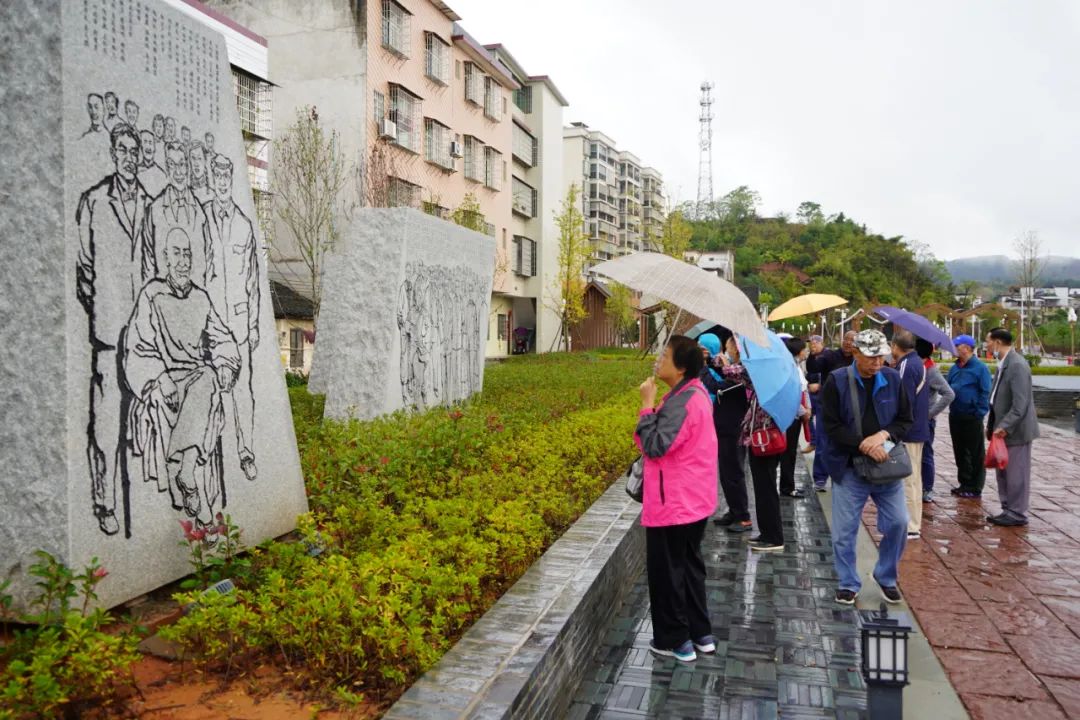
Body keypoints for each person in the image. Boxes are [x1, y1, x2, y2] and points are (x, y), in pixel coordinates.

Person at [124, 228, 241, 528]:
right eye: (176, 253)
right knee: (193, 396)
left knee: (208, 377)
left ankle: (187, 471)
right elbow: (138, 346)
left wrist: (226, 364)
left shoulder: (201, 298)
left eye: (187, 254)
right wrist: (159, 376)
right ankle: (192, 490)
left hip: (196, 378)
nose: (183, 260)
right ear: (165, 257)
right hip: (166, 380)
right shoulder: (152, 294)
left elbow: (222, 338)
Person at [75, 122, 153, 536]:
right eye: (121, 150)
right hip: (108, 336)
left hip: (143, 340)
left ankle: (143, 507)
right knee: (106, 427)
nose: (128, 157)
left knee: (142, 425)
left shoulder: (150, 204)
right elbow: (83, 270)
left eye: (133, 151)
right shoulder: (93, 201)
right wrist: (104, 308)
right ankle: (104, 502)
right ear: (113, 153)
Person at [635, 336, 719, 663]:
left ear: (681, 367)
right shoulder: (694, 393)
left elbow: (655, 445)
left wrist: (646, 405)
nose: (658, 360)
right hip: (693, 500)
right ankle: (700, 633)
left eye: (665, 355)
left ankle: (675, 640)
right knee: (688, 567)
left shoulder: (683, 402)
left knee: (667, 572)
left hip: (673, 502)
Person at [821, 329, 913, 605]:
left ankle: (885, 575)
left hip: (886, 465)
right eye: (871, 357)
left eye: (881, 357)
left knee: (899, 522)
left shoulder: (893, 379)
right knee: (844, 531)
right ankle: (848, 582)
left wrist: (883, 437)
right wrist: (863, 444)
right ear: (856, 353)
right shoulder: (837, 380)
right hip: (849, 466)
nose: (877, 363)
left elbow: (904, 420)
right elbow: (831, 426)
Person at [203, 153, 261, 481]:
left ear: (232, 180)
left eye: (227, 177)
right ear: (212, 180)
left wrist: (253, 326)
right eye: (218, 177)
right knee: (211, 390)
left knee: (243, 393)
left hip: (238, 324)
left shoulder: (243, 224)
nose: (223, 183)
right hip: (211, 324)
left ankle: (246, 452)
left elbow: (253, 282)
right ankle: (208, 452)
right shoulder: (201, 217)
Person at [721, 336, 792, 552]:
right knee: (763, 488)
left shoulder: (766, 375)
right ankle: (767, 533)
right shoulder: (769, 376)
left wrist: (724, 362)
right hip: (761, 440)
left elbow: (737, 373)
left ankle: (773, 537)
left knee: (766, 488)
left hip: (765, 442)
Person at [985, 328, 1039, 526]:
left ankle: (1017, 512)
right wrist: (992, 425)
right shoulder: (1004, 364)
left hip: (1016, 431)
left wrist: (1005, 426)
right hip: (1002, 429)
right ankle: (1008, 508)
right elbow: (996, 398)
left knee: (1017, 473)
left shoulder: (1017, 365)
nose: (986, 345)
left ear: (998, 342)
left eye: (988, 341)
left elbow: (1020, 404)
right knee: (1004, 471)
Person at [705, 335, 753, 533]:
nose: (726, 352)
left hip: (734, 428)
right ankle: (734, 511)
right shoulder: (734, 369)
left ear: (736, 349)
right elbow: (721, 370)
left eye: (728, 348)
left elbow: (717, 387)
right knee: (726, 472)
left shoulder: (743, 372)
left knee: (734, 472)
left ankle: (743, 517)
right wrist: (710, 360)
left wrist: (702, 368)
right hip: (725, 427)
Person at [890, 329, 930, 539]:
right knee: (914, 478)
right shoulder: (918, 363)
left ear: (895, 346)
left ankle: (911, 525)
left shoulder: (907, 366)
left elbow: (903, 401)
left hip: (909, 432)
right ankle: (913, 522)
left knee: (908, 479)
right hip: (917, 429)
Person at [805, 330, 857, 491]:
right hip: (827, 405)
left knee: (848, 442)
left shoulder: (859, 358)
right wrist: (813, 354)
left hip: (851, 407)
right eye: (846, 339)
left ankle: (844, 478)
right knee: (823, 441)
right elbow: (813, 367)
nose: (848, 342)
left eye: (852, 340)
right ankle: (820, 478)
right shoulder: (831, 356)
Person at [946, 334, 992, 498]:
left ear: (966, 348)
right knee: (959, 450)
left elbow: (985, 392)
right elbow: (947, 386)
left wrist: (979, 412)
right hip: (956, 414)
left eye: (956, 346)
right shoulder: (955, 367)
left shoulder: (980, 368)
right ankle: (964, 482)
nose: (954, 349)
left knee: (975, 452)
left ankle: (976, 486)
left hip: (972, 416)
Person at [916, 339, 955, 503]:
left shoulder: (931, 371)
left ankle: (927, 488)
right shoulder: (917, 368)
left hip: (925, 421)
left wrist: (930, 414)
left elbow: (949, 394)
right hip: (913, 419)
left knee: (926, 454)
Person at [779, 337, 811, 498]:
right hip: (792, 415)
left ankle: (788, 484)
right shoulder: (789, 367)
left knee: (791, 452)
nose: (807, 352)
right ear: (798, 351)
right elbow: (792, 392)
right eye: (805, 349)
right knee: (788, 452)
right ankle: (787, 486)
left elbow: (803, 389)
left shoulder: (796, 365)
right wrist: (802, 411)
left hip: (797, 414)